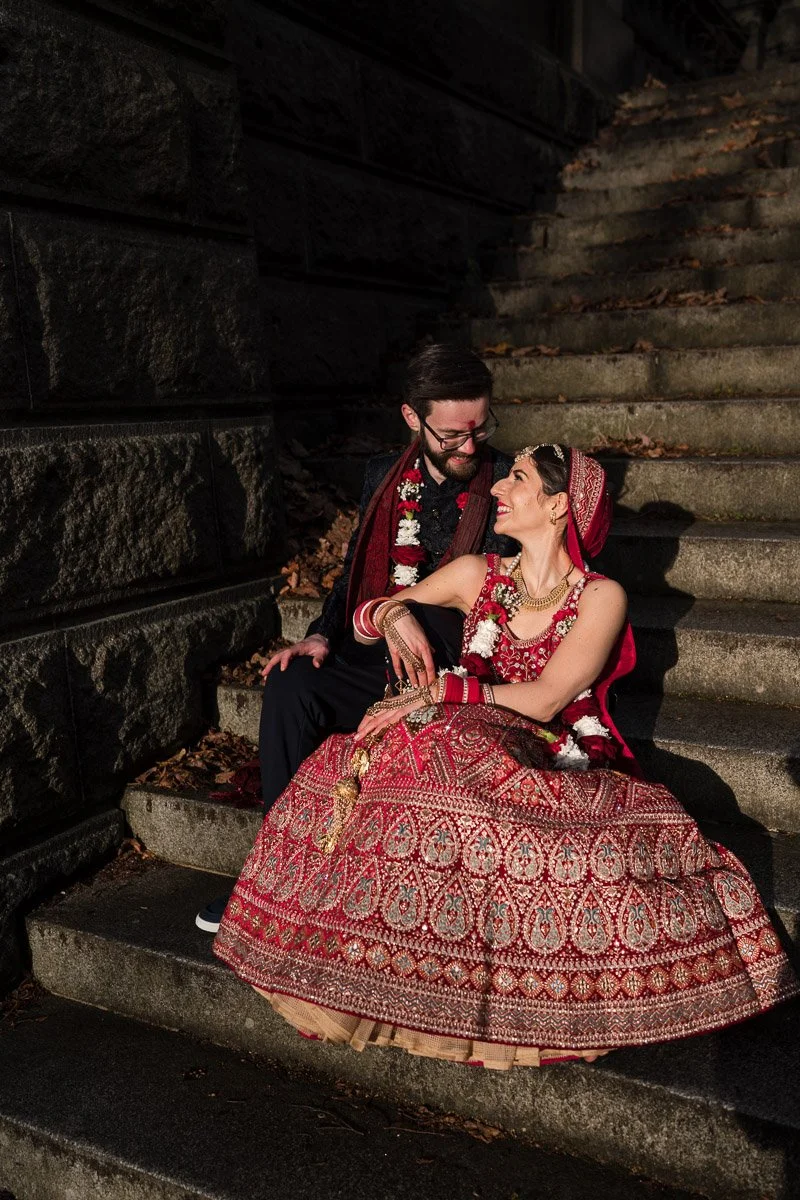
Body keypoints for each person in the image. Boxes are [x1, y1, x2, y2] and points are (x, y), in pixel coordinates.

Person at [213, 445, 798, 1065]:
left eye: (516, 479)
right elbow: (361, 617)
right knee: (368, 766)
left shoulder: (601, 597)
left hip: (541, 741)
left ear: (557, 505)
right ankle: (372, 967)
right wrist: (392, 614)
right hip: (454, 726)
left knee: (455, 766)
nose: (497, 489)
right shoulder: (476, 574)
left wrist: (444, 689)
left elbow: (547, 699)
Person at [195, 343, 514, 932]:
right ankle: (275, 872)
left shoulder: (511, 486)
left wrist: (403, 610)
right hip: (374, 651)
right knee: (292, 685)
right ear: (411, 419)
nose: (470, 447)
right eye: (450, 436)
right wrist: (319, 635)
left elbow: (501, 601)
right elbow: (351, 576)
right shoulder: (382, 478)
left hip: (450, 669)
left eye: (481, 427)